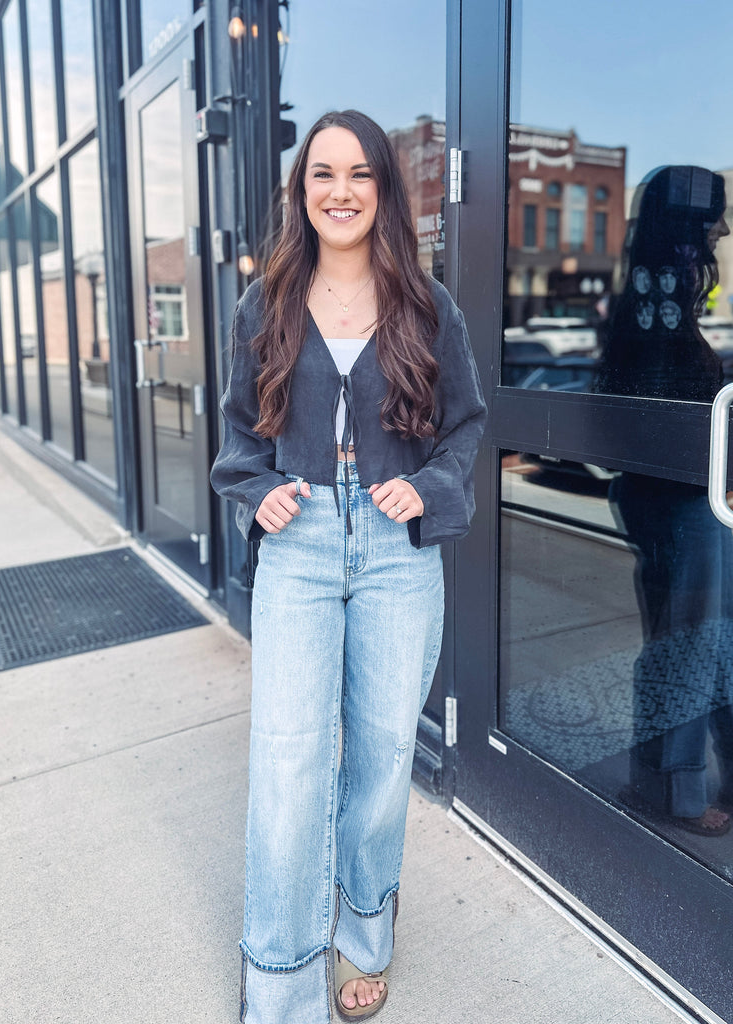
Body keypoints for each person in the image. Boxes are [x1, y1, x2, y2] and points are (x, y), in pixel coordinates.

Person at [210, 110, 486, 1024]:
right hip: (299, 545)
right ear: (301, 192)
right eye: (322, 173)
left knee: (378, 756)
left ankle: (365, 929)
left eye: (360, 174)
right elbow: (239, 432)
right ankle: (282, 980)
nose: (340, 190)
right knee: (290, 762)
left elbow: (466, 425)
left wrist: (430, 488)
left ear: (383, 191)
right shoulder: (267, 301)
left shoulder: (425, 303)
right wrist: (260, 491)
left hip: (394, 549)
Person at [596, 166, 733, 837]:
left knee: (690, 638)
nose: (722, 230)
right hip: (678, 494)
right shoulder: (660, 299)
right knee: (692, 641)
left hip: (665, 493)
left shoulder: (652, 291)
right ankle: (674, 793)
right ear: (687, 225)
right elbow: (669, 390)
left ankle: (668, 780)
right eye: (714, 219)